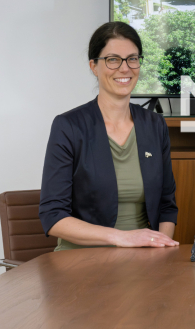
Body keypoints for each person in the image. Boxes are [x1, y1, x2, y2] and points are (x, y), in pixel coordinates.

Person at [39, 22, 179, 250]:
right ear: (94, 66)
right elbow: (53, 216)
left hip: (143, 262)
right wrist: (122, 238)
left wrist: (159, 248)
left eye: (132, 59)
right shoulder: (69, 126)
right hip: (81, 265)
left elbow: (167, 206)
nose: (125, 68)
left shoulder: (154, 124)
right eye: (113, 59)